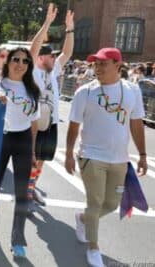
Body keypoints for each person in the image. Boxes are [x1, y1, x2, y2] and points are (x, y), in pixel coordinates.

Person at [64, 47, 147, 267]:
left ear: (118, 65)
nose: (97, 68)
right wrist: (70, 154)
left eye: (103, 63)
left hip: (119, 158)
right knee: (95, 201)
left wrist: (143, 154)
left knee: (111, 203)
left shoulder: (132, 91)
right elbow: (73, 125)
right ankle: (94, 247)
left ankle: (83, 219)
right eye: (95, 64)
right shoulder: (85, 92)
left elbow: (136, 123)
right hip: (90, 155)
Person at [0, 47, 40, 258]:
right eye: (16, 59)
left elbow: (34, 123)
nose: (20, 64)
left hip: (23, 140)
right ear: (8, 62)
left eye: (25, 61)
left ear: (29, 66)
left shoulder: (33, 89)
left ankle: (18, 240)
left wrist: (32, 150)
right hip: (0, 138)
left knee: (22, 192)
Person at [27, 3, 74, 207]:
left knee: (42, 158)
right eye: (50, 56)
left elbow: (68, 53)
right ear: (40, 58)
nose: (55, 58)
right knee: (31, 158)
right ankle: (27, 192)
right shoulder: (32, 71)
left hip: (51, 122)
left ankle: (32, 187)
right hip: (34, 122)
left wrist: (70, 29)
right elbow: (33, 48)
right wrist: (47, 23)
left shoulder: (53, 71)